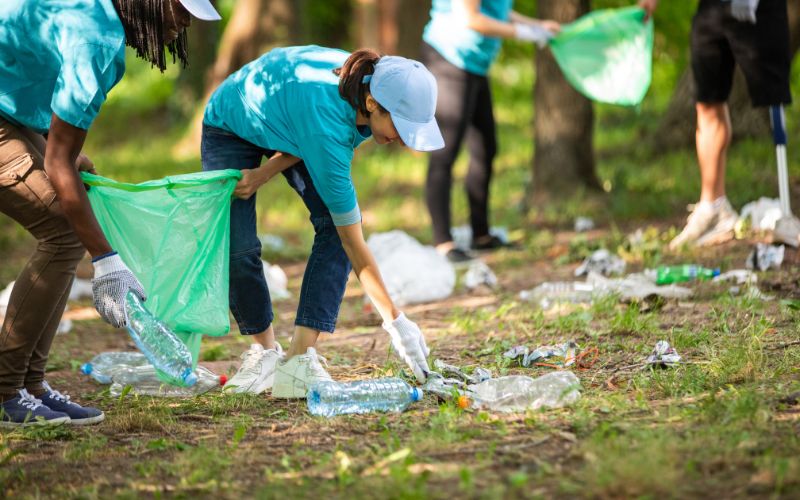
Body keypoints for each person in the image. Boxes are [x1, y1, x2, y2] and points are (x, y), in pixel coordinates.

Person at [0, 0, 220, 427]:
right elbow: (58, 163)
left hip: (12, 110)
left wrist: (60, 156)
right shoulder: (97, 37)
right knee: (64, 230)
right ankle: (6, 390)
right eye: (181, 9)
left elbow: (36, 69)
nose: (185, 22)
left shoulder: (96, 18)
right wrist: (108, 263)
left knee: (70, 218)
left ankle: (31, 386)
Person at [201, 45, 443, 397]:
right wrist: (396, 321)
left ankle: (299, 357)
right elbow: (354, 242)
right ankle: (265, 351)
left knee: (333, 226)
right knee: (238, 249)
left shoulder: (363, 88)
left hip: (297, 119)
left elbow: (305, 130)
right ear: (373, 103)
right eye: (400, 125)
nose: (403, 139)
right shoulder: (332, 117)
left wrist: (266, 171)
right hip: (233, 122)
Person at [638, 0, 793, 249]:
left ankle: (786, 214)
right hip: (711, 9)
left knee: (774, 98)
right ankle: (713, 207)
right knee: (707, 102)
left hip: (760, 7)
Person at [420, 0, 560, 263]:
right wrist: (526, 34)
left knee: (486, 148)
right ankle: (443, 243)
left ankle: (481, 236)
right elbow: (471, 18)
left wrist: (538, 26)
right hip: (449, 57)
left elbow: (497, 9)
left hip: (475, 64)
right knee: (445, 151)